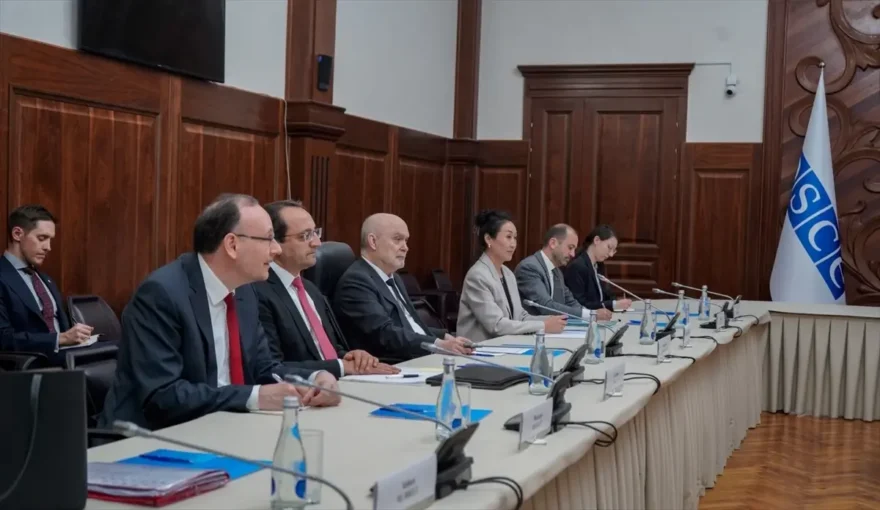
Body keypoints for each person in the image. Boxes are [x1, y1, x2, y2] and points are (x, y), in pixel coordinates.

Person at [100, 194, 340, 431]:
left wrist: (315, 379)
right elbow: (162, 396)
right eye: (269, 239)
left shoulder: (245, 292)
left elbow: (264, 369)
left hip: (226, 427)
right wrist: (255, 397)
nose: (276, 249)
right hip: (155, 437)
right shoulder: (161, 294)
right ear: (232, 245)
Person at [255, 200, 399, 377]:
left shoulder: (311, 290)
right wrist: (341, 366)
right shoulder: (258, 292)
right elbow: (272, 367)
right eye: (305, 236)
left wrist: (351, 357)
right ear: (274, 243)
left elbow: (329, 350)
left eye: (315, 233)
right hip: (302, 389)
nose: (317, 243)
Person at [333, 213, 473, 360]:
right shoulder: (357, 281)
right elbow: (384, 334)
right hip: (393, 363)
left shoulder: (395, 278)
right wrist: (438, 345)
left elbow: (409, 324)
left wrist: (444, 337)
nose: (405, 248)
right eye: (397, 239)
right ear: (373, 242)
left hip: (416, 354)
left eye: (406, 241)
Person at [0, 205, 93, 363]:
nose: (48, 247)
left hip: (65, 358)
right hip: (31, 365)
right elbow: (3, 338)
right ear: (17, 234)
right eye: (42, 238)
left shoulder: (44, 279)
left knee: (115, 349)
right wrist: (60, 339)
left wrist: (76, 336)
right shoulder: (3, 276)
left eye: (50, 240)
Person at [457, 210, 567, 342]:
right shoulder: (477, 276)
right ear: (488, 239)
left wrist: (550, 320)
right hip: (480, 348)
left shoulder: (508, 273)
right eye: (508, 237)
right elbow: (496, 325)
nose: (513, 244)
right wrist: (543, 326)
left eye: (515, 238)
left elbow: (519, 317)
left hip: (506, 344)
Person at [515, 223, 613, 321]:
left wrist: (591, 314)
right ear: (553, 243)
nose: (573, 254)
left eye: (574, 249)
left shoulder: (557, 272)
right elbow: (546, 306)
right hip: (533, 329)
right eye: (570, 247)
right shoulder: (529, 268)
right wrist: (591, 314)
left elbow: (570, 302)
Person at [563, 224, 632, 312]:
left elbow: (607, 294)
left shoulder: (599, 265)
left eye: (614, 251)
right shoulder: (577, 267)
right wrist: (613, 304)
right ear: (597, 240)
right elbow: (580, 304)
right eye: (609, 247)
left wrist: (617, 302)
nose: (611, 255)